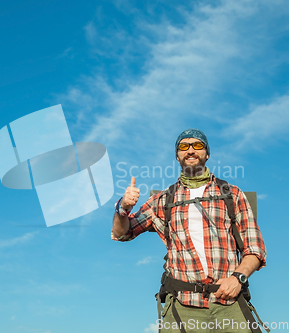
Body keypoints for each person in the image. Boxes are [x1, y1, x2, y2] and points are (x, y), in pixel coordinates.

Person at [111, 129, 267, 333]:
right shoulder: (164, 199)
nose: (191, 150)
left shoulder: (232, 194)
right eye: (184, 146)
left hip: (229, 302)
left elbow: (255, 249)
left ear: (207, 154)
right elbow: (123, 232)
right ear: (177, 156)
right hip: (182, 306)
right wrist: (123, 207)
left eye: (197, 145)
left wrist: (238, 278)